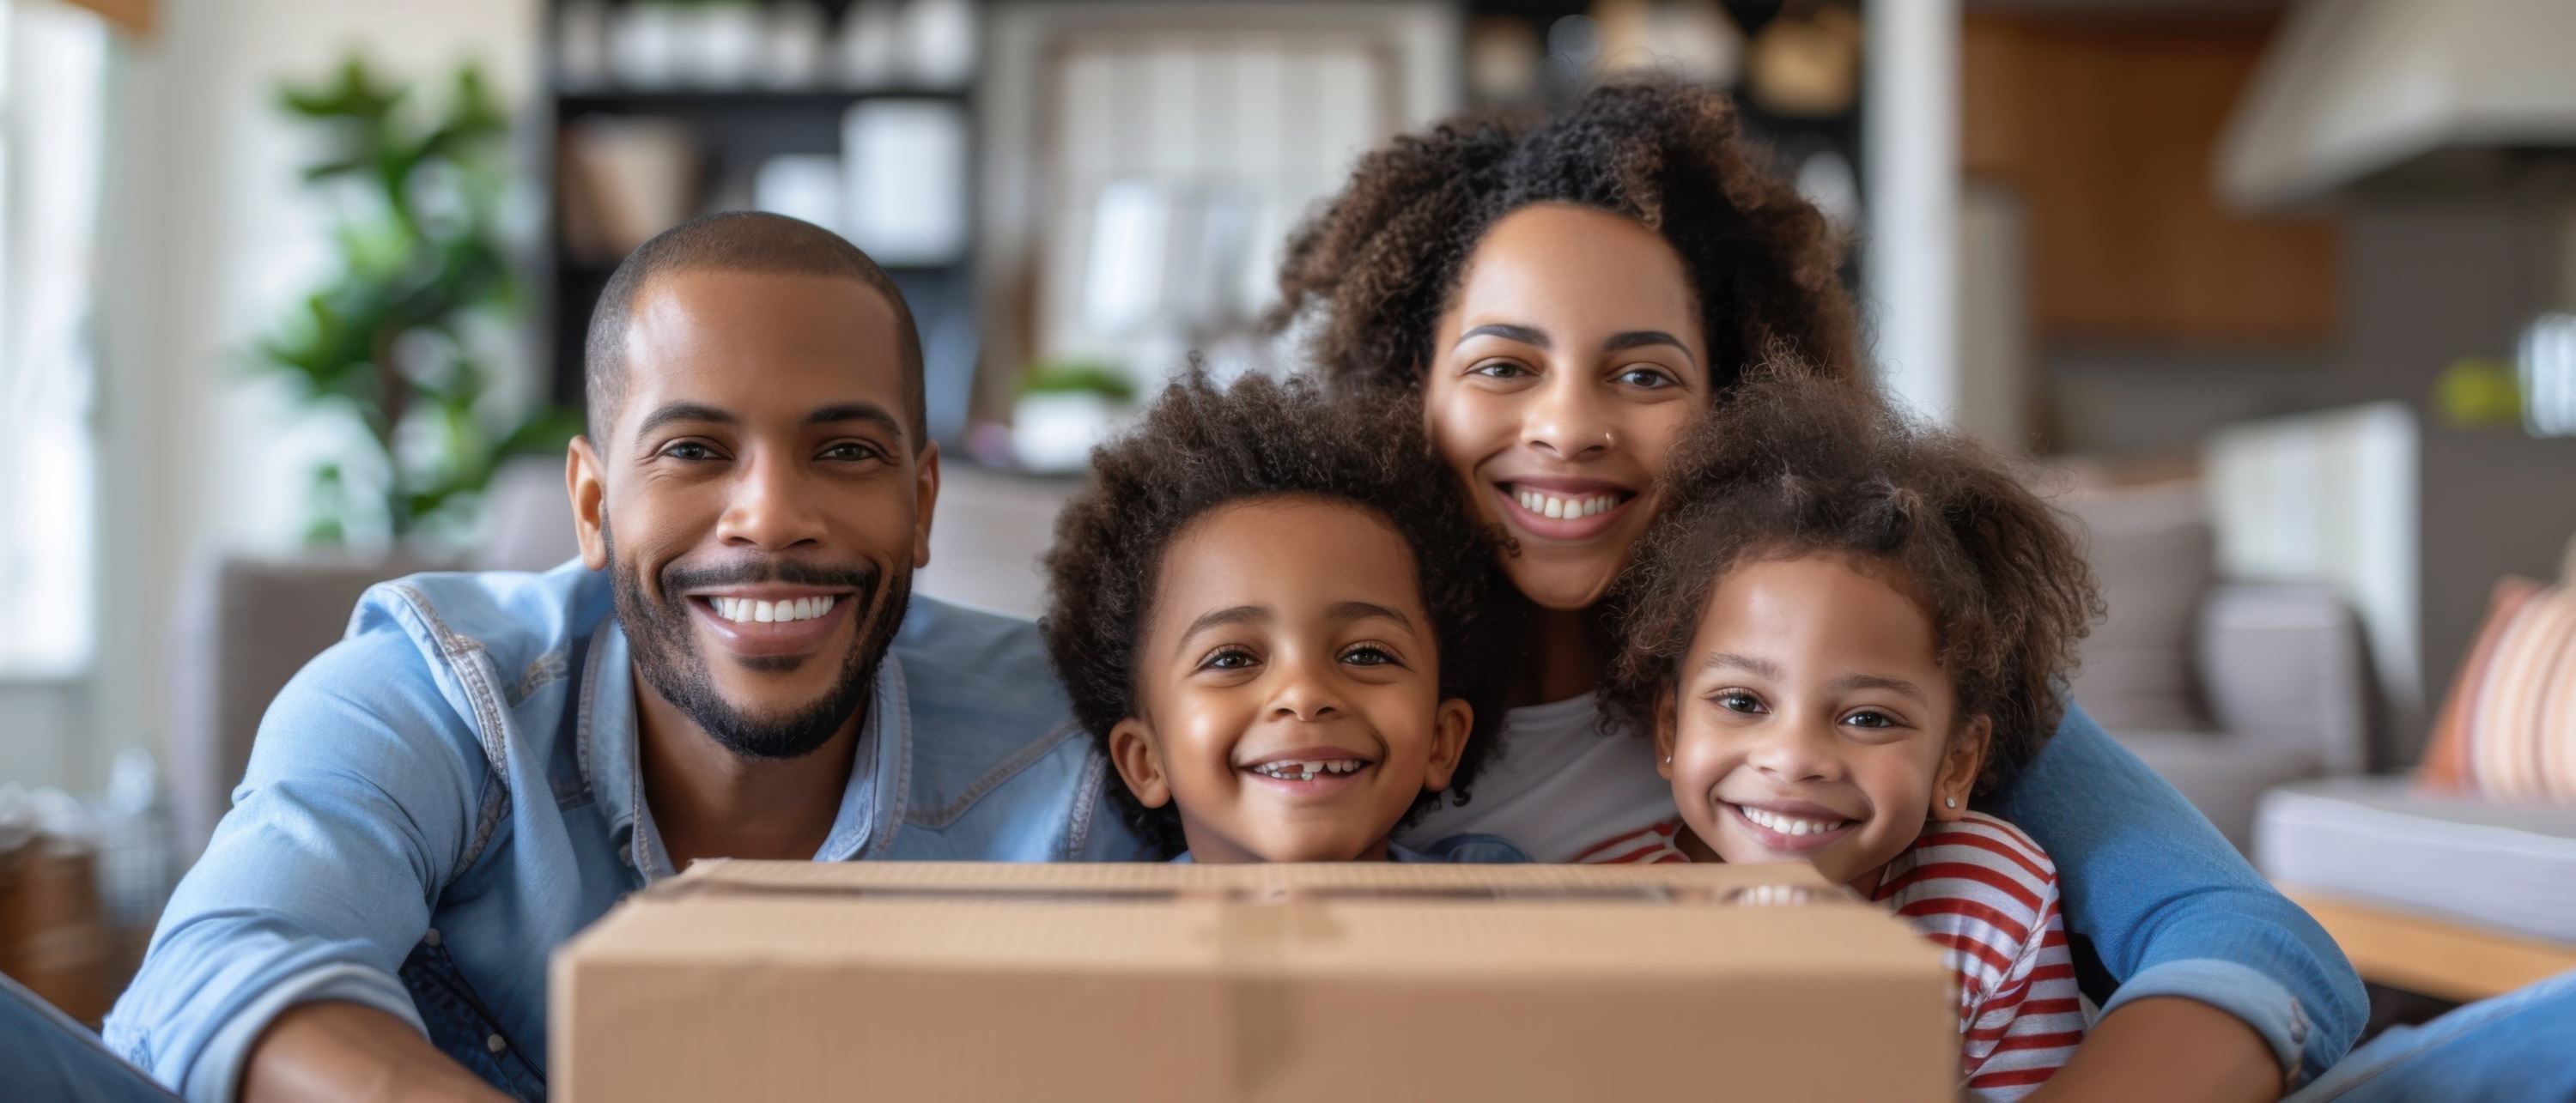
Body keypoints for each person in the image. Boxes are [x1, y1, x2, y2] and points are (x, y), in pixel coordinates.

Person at [1272, 79, 2360, 1099]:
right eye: (1503, 366)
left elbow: (2253, 941)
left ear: (1738, 407)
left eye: (1646, 374)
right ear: (1406, 397)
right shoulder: (1309, 691)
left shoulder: (1870, 654)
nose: (1567, 429)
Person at [100, 212, 1150, 1103]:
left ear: (920, 504)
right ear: (595, 505)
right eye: (693, 450)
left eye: (844, 451)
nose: (772, 517)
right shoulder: (438, 692)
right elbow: (221, 965)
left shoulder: (1067, 740)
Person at [1596, 377, 2102, 1098]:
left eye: (1868, 717)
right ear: (1672, 728)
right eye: (1743, 700)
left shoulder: (1989, 898)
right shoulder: (1601, 913)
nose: (1796, 758)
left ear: (1956, 760)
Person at [1039, 371, 1524, 864]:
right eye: (1231, 660)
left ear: (1442, 741)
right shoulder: (1097, 937)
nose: (1305, 695)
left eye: (1365, 654)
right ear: (1147, 761)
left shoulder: (1512, 916)